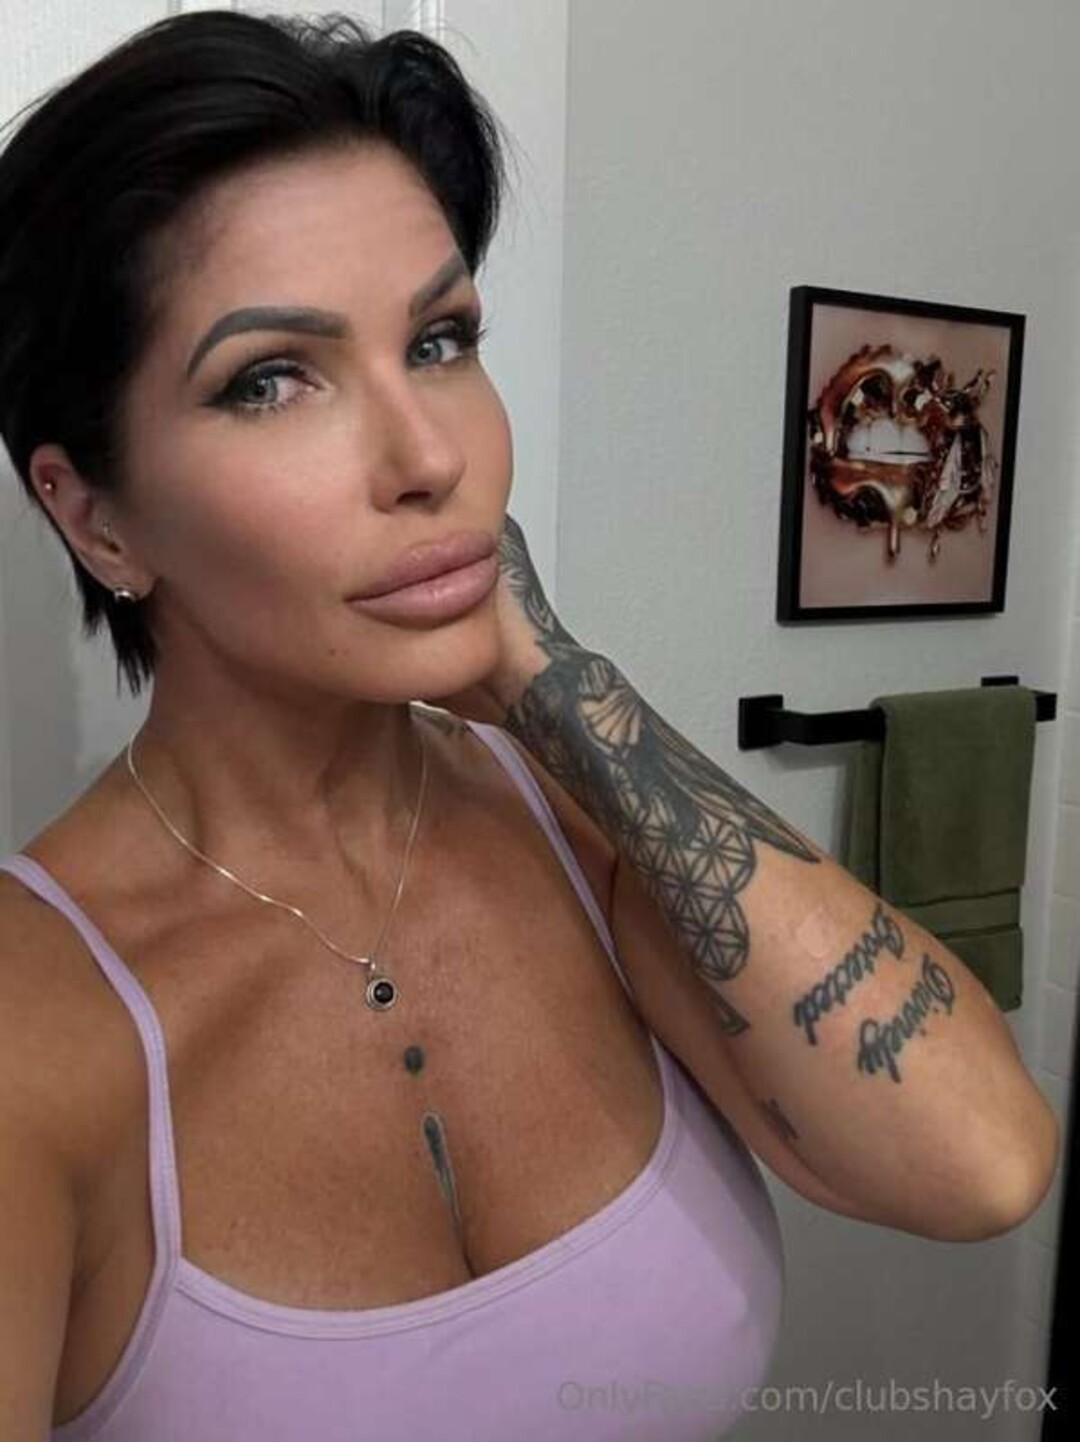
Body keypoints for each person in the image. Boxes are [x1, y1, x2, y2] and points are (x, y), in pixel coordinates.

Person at [0, 10, 1056, 1441]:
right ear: (95, 515)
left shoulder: (566, 816)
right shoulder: (36, 1029)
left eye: (440, 341)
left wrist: (542, 672)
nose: (432, 455)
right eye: (272, 379)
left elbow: (984, 1162)